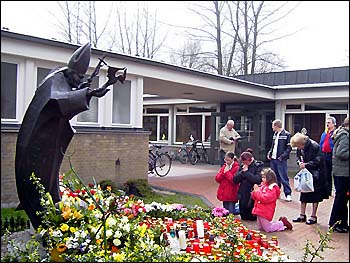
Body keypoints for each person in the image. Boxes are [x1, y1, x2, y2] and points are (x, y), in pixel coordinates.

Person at [15, 43, 127, 229]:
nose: (79, 81)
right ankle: (42, 220)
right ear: (70, 71)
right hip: (38, 146)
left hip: (47, 145)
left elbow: (68, 95)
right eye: (78, 77)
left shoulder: (62, 77)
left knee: (48, 184)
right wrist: (89, 92)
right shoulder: (53, 81)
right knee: (39, 183)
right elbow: (57, 101)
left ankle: (48, 217)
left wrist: (86, 90)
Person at [290, 132, 328, 225]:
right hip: (305, 172)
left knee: (315, 195)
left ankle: (313, 216)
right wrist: (299, 162)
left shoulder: (315, 146)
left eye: (298, 146)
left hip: (316, 173)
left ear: (301, 143)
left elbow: (319, 159)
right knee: (303, 193)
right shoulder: (300, 148)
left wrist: (307, 164)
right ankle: (302, 215)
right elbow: (298, 157)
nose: (298, 149)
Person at [251, 168, 293, 232]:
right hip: (259, 209)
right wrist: (254, 192)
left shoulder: (272, 188)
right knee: (261, 227)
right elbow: (256, 197)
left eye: (264, 177)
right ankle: (279, 223)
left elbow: (265, 198)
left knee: (268, 228)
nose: (262, 179)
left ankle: (282, 223)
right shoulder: (263, 186)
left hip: (266, 210)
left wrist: (256, 192)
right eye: (262, 177)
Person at [329, 117, 349, 233]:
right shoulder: (345, 136)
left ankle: (342, 223)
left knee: (342, 199)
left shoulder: (342, 134)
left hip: (341, 172)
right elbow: (341, 153)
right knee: (341, 199)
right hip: (343, 173)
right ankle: (335, 223)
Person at [267, 119, 292, 202]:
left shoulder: (287, 135)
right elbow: (273, 145)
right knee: (275, 177)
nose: (272, 128)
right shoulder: (275, 134)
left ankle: (288, 194)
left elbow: (289, 148)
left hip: (281, 159)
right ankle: (276, 193)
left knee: (283, 176)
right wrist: (270, 153)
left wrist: (283, 156)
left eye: (273, 126)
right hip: (273, 159)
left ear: (276, 126)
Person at [233, 151, 263, 220]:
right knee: (243, 215)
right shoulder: (242, 166)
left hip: (252, 192)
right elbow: (235, 180)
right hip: (243, 192)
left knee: (251, 216)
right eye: (243, 162)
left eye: (246, 162)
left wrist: (246, 173)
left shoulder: (257, 166)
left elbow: (257, 179)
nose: (245, 164)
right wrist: (242, 172)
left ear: (251, 160)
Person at [319, 116, 337, 197]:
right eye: (326, 123)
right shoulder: (324, 133)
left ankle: (336, 189)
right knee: (326, 173)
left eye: (329, 123)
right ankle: (327, 190)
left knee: (334, 173)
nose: (327, 124)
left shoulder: (336, 133)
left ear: (334, 124)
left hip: (332, 155)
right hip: (324, 154)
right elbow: (321, 144)